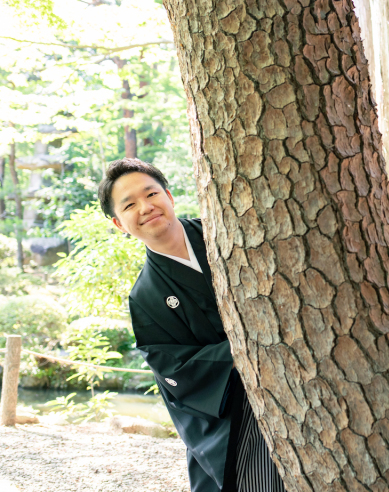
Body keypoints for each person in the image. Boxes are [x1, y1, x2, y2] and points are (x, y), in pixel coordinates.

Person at [97, 158, 285, 492]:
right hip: (240, 404)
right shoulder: (146, 296)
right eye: (129, 204)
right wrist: (251, 347)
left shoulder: (226, 233)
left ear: (169, 195)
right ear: (119, 224)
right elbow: (176, 369)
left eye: (151, 193)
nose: (146, 207)